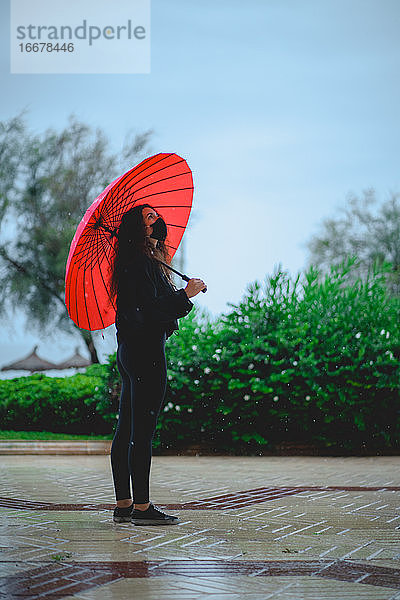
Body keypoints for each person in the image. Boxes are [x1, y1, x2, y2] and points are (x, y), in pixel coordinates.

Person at [108, 203, 206, 525]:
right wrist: (185, 294)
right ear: (139, 228)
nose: (158, 219)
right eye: (150, 217)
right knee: (142, 432)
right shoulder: (141, 263)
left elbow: (150, 306)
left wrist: (181, 293)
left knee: (126, 430)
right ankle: (142, 508)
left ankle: (124, 504)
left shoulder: (139, 261)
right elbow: (151, 310)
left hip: (129, 351)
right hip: (146, 352)